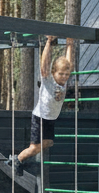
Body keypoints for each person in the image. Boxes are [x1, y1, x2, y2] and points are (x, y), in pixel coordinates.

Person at [11, 36, 76, 176]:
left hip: (51, 119)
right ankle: (17, 159)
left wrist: (70, 44)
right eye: (61, 74)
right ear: (54, 72)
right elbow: (44, 65)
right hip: (40, 117)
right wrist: (48, 42)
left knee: (49, 143)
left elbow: (69, 63)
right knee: (34, 148)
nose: (64, 77)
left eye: (66, 74)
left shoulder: (64, 82)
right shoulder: (48, 79)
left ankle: (19, 158)